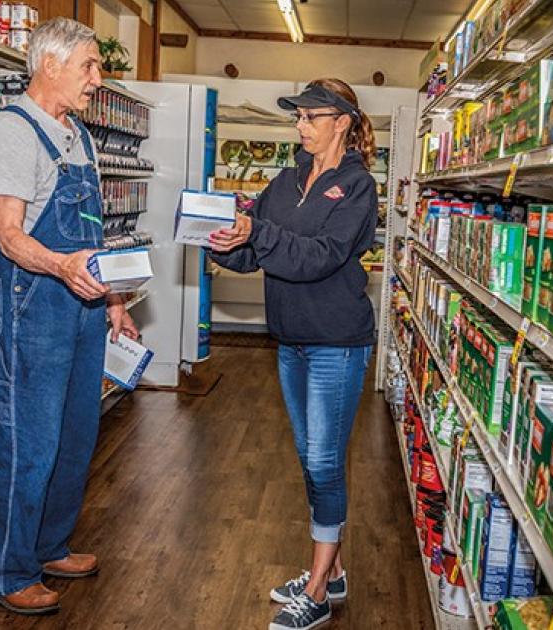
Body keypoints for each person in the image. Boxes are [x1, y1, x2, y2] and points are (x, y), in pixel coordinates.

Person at [0, 17, 138, 615]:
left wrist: (115, 300)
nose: (98, 78)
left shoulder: (79, 137)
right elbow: (10, 235)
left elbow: (92, 235)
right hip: (29, 310)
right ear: (50, 65)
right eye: (89, 66)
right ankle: (8, 571)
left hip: (83, 311)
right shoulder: (11, 132)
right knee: (26, 444)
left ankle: (49, 547)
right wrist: (64, 267)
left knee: (75, 437)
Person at [209, 79, 379, 630]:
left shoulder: (357, 188)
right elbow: (260, 250)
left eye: (312, 116)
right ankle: (332, 570)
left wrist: (256, 231)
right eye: (297, 117)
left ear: (344, 122)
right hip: (292, 341)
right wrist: (221, 242)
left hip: (337, 341)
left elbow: (319, 256)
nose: (301, 126)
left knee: (326, 462)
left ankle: (317, 590)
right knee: (311, 460)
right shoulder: (283, 182)